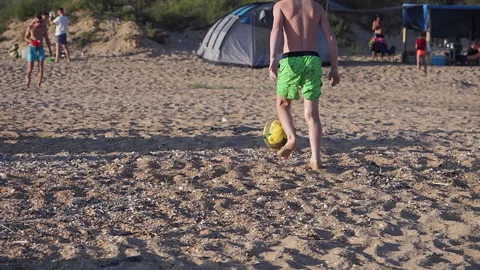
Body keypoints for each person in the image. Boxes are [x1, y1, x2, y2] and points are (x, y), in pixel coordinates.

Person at [269, 0, 340, 170]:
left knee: (283, 105)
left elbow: (276, 31)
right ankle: (316, 159)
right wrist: (335, 68)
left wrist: (272, 60)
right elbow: (330, 37)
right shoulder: (316, 8)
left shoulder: (281, 5)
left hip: (291, 60)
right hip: (313, 60)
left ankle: (292, 138)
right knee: (312, 115)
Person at [25, 15, 53, 88]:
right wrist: (30, 41)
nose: (39, 23)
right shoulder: (30, 27)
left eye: (40, 22)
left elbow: (46, 39)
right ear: (35, 21)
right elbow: (26, 37)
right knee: (30, 67)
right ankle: (28, 80)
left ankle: (39, 84)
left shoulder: (43, 28)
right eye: (38, 22)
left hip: (40, 48)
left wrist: (50, 50)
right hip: (32, 48)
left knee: (41, 66)